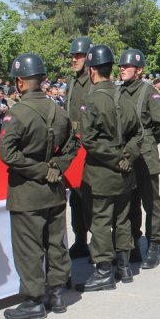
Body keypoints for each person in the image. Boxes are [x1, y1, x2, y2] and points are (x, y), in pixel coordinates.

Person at [0, 53, 80, 319]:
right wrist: (56, 166)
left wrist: (40, 169)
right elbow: (73, 144)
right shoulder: (57, 110)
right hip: (54, 190)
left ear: (20, 82)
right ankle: (56, 294)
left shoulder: (17, 114)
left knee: (29, 247)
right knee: (55, 242)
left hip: (27, 192)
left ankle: (34, 299)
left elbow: (7, 154)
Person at [76, 45, 142, 291]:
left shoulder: (92, 99)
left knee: (101, 220)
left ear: (92, 70)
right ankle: (124, 267)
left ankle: (104, 270)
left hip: (103, 172)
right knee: (123, 218)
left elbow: (89, 140)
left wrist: (115, 159)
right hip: (126, 171)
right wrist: (127, 156)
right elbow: (139, 133)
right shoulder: (123, 97)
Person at [118, 48, 160, 269]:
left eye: (126, 66)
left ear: (138, 70)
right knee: (130, 203)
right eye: (120, 66)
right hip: (126, 156)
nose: (122, 69)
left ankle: (153, 245)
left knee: (151, 203)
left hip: (146, 155)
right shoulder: (118, 93)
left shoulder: (149, 92)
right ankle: (132, 245)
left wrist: (149, 141)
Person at [65, 36, 93, 259]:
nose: (75, 59)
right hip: (74, 146)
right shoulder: (73, 82)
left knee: (91, 197)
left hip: (89, 146)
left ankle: (101, 243)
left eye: (79, 55)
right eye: (73, 55)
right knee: (75, 197)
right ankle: (80, 240)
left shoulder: (92, 83)